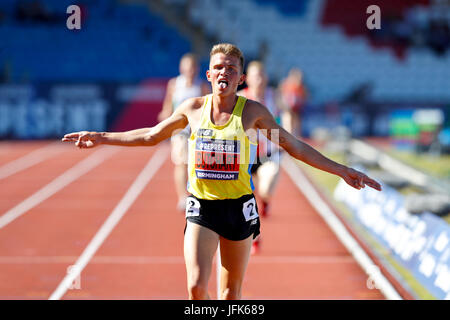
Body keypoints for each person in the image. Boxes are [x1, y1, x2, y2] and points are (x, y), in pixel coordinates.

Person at [62, 43, 382, 300]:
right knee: (197, 287)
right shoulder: (192, 110)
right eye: (218, 67)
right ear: (209, 74)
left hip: (239, 208)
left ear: (241, 77)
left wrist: (341, 170)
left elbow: (293, 146)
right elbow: (151, 136)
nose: (224, 72)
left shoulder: (254, 114)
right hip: (202, 206)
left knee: (230, 294)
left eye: (231, 68)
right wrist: (100, 137)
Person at [238, 61, 293, 254]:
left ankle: (266, 200)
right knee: (247, 202)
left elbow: (286, 112)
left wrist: (287, 134)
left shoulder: (274, 95)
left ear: (266, 77)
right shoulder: (240, 97)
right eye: (255, 75)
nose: (259, 79)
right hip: (247, 154)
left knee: (266, 188)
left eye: (262, 75)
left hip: (270, 152)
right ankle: (255, 237)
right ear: (247, 78)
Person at [157, 53, 210, 211]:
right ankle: (182, 197)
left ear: (197, 68)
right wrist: (165, 115)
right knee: (181, 163)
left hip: (197, 131)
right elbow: (168, 105)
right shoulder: (174, 84)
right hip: (180, 130)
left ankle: (197, 194)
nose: (190, 70)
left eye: (193, 67)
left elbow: (207, 108)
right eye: (187, 67)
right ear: (182, 68)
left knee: (196, 165)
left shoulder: (202, 86)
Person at [279, 67, 308, 137]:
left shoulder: (301, 87)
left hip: (297, 111)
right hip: (285, 110)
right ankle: (287, 137)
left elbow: (305, 99)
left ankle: (296, 138)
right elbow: (279, 98)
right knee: (287, 118)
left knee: (296, 122)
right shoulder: (286, 85)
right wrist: (286, 106)